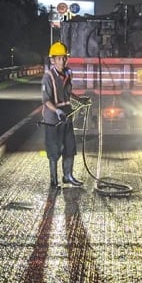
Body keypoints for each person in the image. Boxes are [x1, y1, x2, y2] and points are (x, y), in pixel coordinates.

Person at [42, 41, 89, 188]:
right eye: (59, 58)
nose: (62, 61)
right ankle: (53, 181)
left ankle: (68, 176)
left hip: (67, 117)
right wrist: (57, 111)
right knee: (54, 151)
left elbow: (67, 93)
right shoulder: (48, 77)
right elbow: (46, 100)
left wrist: (79, 99)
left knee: (69, 148)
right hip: (53, 120)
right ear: (52, 60)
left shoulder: (68, 73)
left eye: (64, 58)